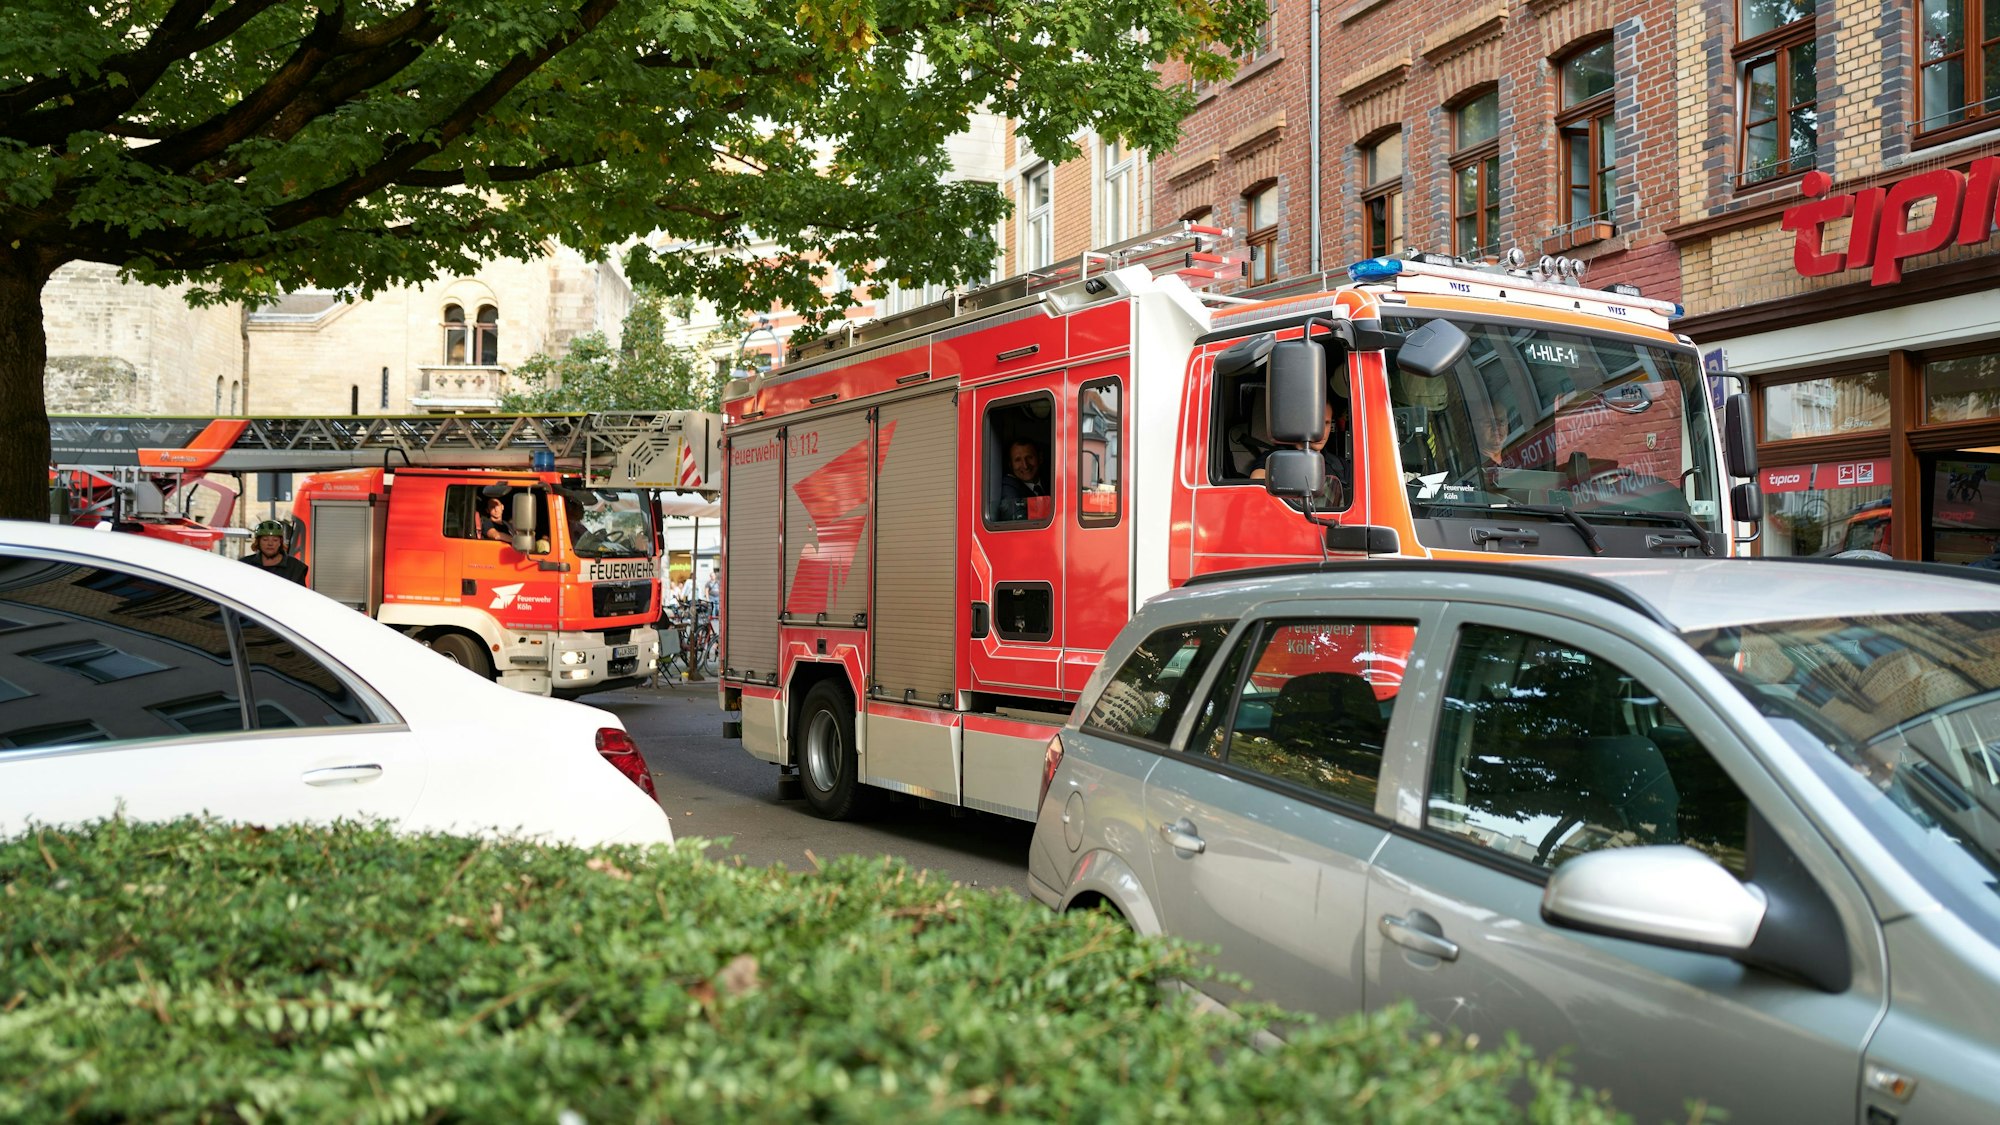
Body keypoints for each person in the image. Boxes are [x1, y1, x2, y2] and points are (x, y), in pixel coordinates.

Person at [1251, 399, 1343, 506]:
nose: (1322, 431)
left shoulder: (1340, 466)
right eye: (1316, 423)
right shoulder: (1275, 458)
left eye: (1327, 423)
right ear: (1298, 422)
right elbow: (1257, 483)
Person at [242, 519, 308, 585]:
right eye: (265, 540)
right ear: (258, 542)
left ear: (280, 542)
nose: (270, 543)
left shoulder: (296, 568)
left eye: (275, 540)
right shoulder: (244, 565)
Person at [996, 439, 1048, 519]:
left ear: (1040, 458)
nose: (1025, 465)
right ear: (1011, 465)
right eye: (1018, 460)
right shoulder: (1009, 489)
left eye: (1029, 457)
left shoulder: (1051, 480)